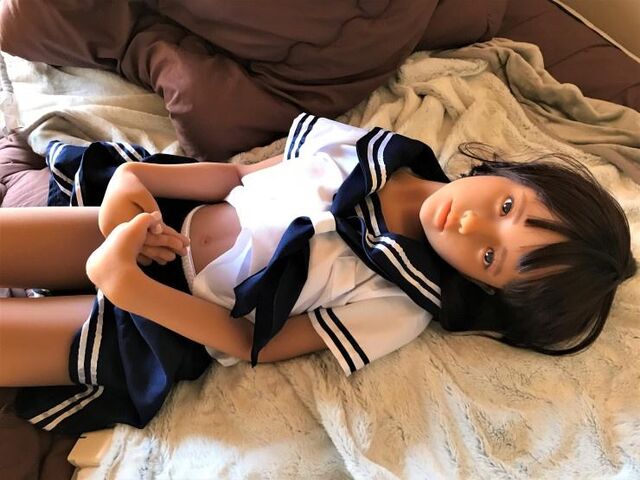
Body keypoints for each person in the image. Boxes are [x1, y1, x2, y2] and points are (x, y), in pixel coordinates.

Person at [0, 114, 635, 434]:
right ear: (514, 174)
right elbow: (238, 176)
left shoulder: (400, 306)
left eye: (491, 257)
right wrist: (134, 179)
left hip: (155, 322)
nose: (471, 226)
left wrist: (130, 290)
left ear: (485, 288)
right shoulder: (373, 151)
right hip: (159, 224)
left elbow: (252, 342)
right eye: (507, 207)